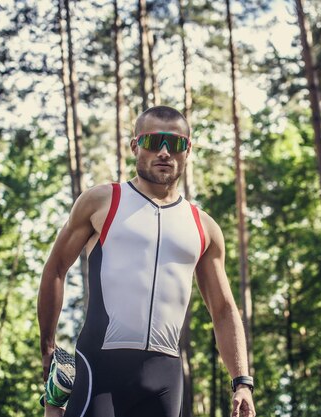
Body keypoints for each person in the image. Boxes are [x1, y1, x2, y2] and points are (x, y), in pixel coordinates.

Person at [37, 105, 256, 417]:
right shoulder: (102, 201)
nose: (165, 152)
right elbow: (56, 269)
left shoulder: (203, 226)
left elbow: (223, 309)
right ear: (135, 146)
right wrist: (48, 346)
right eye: (154, 142)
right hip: (100, 370)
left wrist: (242, 382)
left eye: (176, 143)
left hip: (165, 377)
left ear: (188, 150)